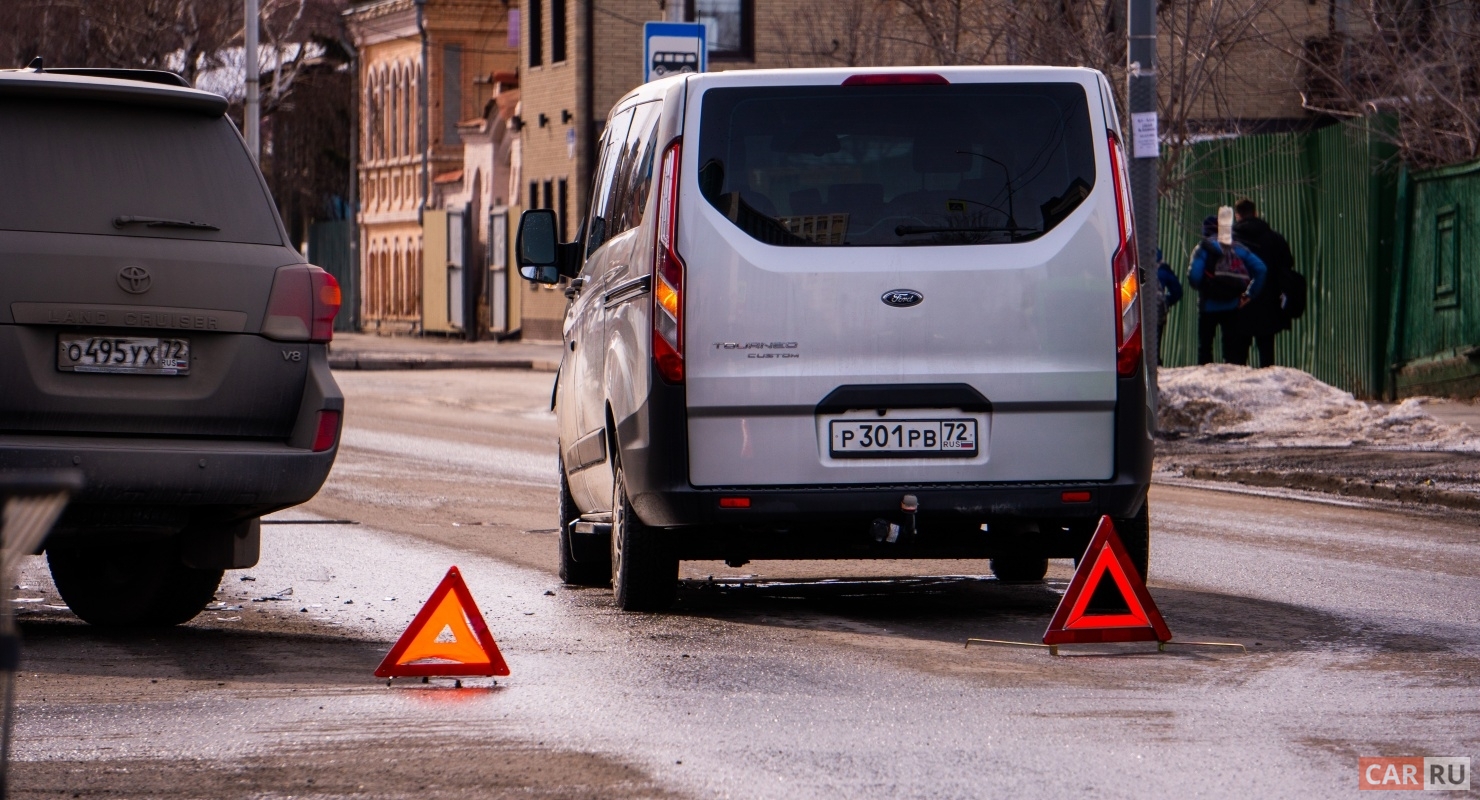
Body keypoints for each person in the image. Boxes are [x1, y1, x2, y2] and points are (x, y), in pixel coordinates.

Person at [1188, 214, 1267, 365]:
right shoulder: (1237, 248)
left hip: (1208, 305)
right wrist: (1250, 294)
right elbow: (1261, 269)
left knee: (1205, 347)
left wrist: (1205, 287)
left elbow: (1194, 276)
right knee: (1231, 348)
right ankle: (1232, 379)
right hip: (1233, 304)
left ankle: (1204, 379)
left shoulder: (1203, 248)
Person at [1229, 198, 1295, 368]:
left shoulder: (1229, 242)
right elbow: (1287, 266)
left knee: (1236, 360)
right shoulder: (1274, 239)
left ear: (1237, 216)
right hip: (1268, 303)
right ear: (1255, 213)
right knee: (1266, 357)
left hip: (1238, 304)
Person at [1154, 248, 1183, 366]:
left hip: (1139, 313)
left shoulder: (1139, 267)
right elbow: (1177, 291)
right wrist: (1167, 301)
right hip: (1158, 311)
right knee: (1156, 342)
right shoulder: (1163, 269)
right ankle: (1155, 364)